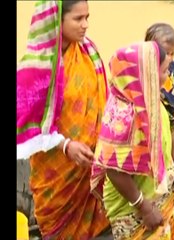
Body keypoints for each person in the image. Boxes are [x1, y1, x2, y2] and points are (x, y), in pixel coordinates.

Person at [16, 0, 110, 238]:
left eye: (87, 17)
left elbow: (105, 102)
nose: (86, 25)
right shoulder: (36, 67)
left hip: (90, 169)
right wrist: (65, 145)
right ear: (56, 20)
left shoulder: (89, 52)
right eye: (78, 19)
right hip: (57, 178)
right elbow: (26, 126)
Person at [90, 41, 174, 239]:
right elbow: (114, 170)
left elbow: (170, 137)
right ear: (147, 76)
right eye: (165, 71)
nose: (168, 76)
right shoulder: (124, 118)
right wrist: (144, 207)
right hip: (135, 207)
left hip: (158, 196)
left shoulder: (150, 100)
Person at [144, 23, 174, 180]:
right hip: (155, 116)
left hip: (172, 112)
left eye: (172, 53)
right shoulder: (142, 68)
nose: (169, 58)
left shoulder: (172, 68)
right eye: (166, 53)